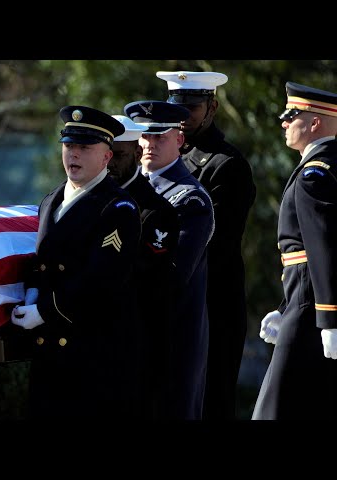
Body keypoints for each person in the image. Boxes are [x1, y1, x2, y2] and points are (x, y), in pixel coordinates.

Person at [10, 105, 142, 420]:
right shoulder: (51, 199)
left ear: (107, 157)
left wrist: (44, 310)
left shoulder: (117, 208)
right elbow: (43, 262)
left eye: (85, 147)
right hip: (49, 351)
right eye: (69, 146)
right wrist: (31, 292)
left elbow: (101, 279)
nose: (74, 155)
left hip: (91, 353)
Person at [156, 70, 257, 420]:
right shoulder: (167, 159)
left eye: (192, 108)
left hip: (212, 307)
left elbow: (213, 246)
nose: (182, 118)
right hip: (175, 302)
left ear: (212, 107)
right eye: (176, 108)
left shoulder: (226, 166)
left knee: (209, 401)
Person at [124, 100, 214, 420]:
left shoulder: (189, 199)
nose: (150, 144)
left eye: (160, 136)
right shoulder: (124, 191)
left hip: (172, 335)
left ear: (179, 139)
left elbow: (173, 277)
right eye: (144, 137)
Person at [253, 82, 337, 420]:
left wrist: (329, 319)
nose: (284, 122)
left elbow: (323, 249)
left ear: (315, 122)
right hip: (304, 305)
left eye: (292, 115)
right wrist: (284, 307)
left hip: (311, 310)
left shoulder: (314, 174)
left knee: (274, 409)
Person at [108, 114, 180, 419]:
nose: (110, 164)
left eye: (119, 156)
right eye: (106, 155)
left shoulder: (154, 211)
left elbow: (143, 277)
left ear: (137, 153)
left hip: (136, 348)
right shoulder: (89, 199)